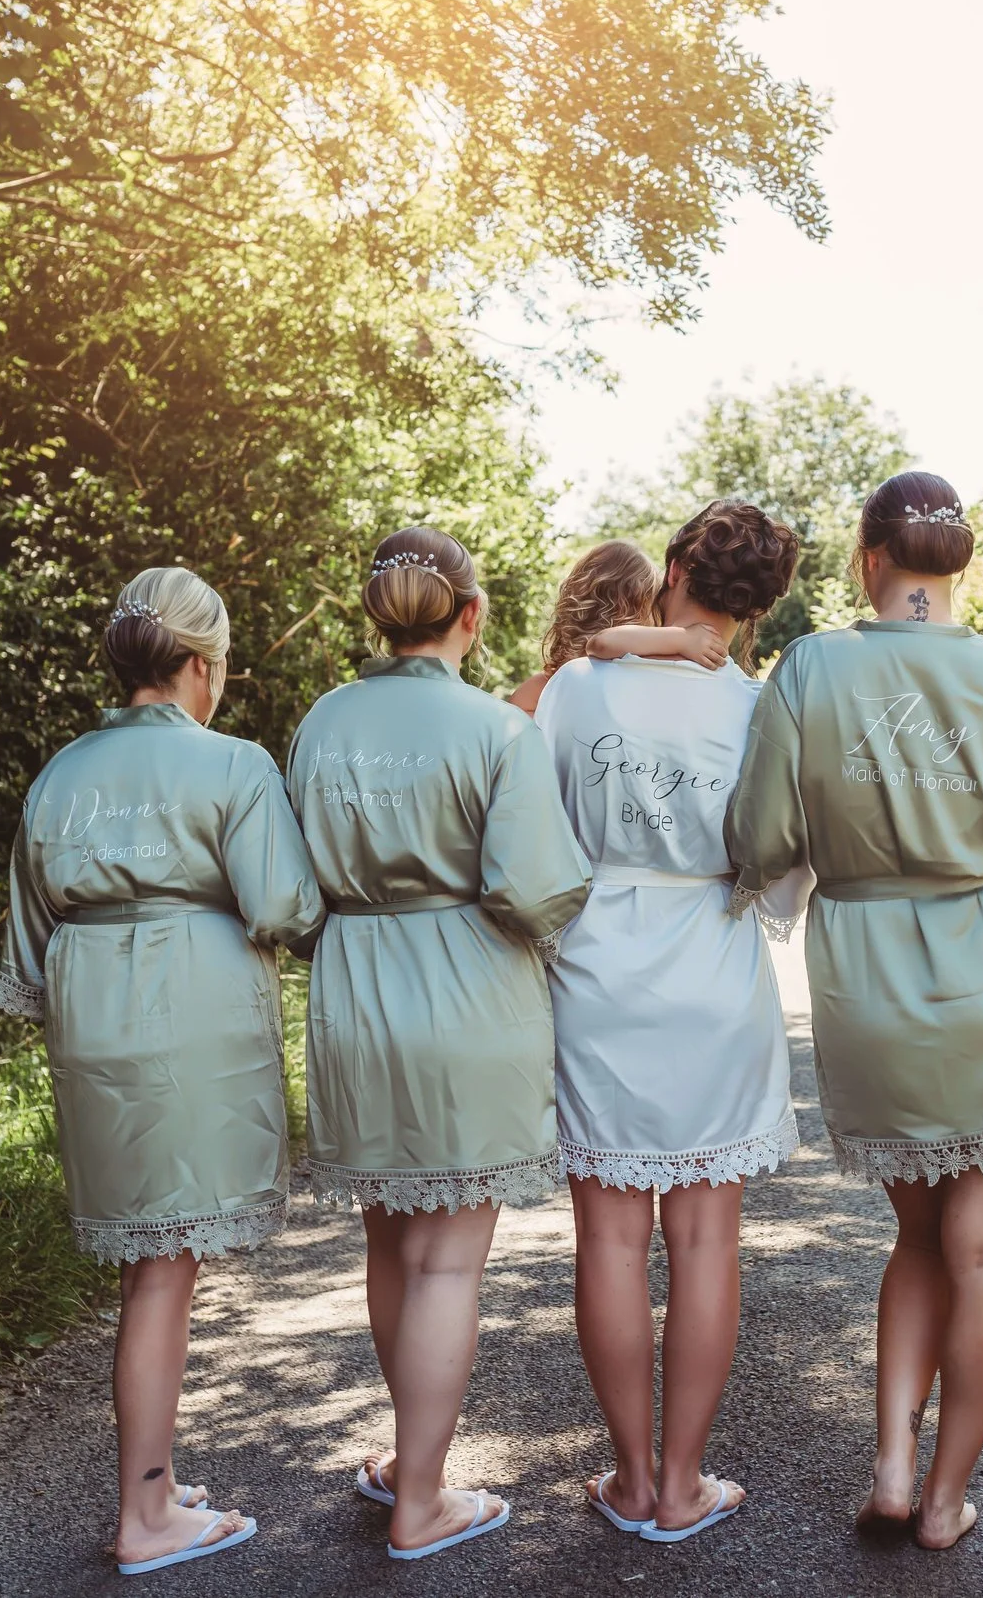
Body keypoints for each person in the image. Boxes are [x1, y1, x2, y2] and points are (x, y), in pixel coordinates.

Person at [725, 471, 983, 1550]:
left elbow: (759, 838)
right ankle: (943, 1494)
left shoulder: (813, 664)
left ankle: (887, 1463)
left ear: (866, 561)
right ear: (959, 564)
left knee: (916, 1234)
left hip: (869, 978)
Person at [0, 566, 323, 1578]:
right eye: (217, 665)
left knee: (155, 1267)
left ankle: (157, 1482)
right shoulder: (232, 766)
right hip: (192, 1015)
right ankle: (144, 1516)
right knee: (162, 1276)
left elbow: (27, 940)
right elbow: (283, 905)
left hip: (94, 1017)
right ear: (195, 665)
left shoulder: (60, 771)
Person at [283, 528, 592, 1561]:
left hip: (355, 987)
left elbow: (291, 885)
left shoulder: (320, 720)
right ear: (472, 613)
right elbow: (534, 885)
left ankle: (406, 1461)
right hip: (464, 983)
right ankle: (422, 1494)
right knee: (450, 1263)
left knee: (388, 1238)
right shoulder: (495, 729)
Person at [533, 500, 811, 1544]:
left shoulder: (578, 685)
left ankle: (631, 1471)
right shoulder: (760, 709)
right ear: (763, 602)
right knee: (705, 1241)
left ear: (675, 566)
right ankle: (685, 1480)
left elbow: (537, 822)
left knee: (606, 1236)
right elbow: (779, 860)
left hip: (597, 962)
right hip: (711, 961)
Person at [506, 540, 731, 716]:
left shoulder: (541, 688)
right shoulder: (547, 687)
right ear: (637, 610)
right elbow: (605, 643)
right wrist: (683, 638)